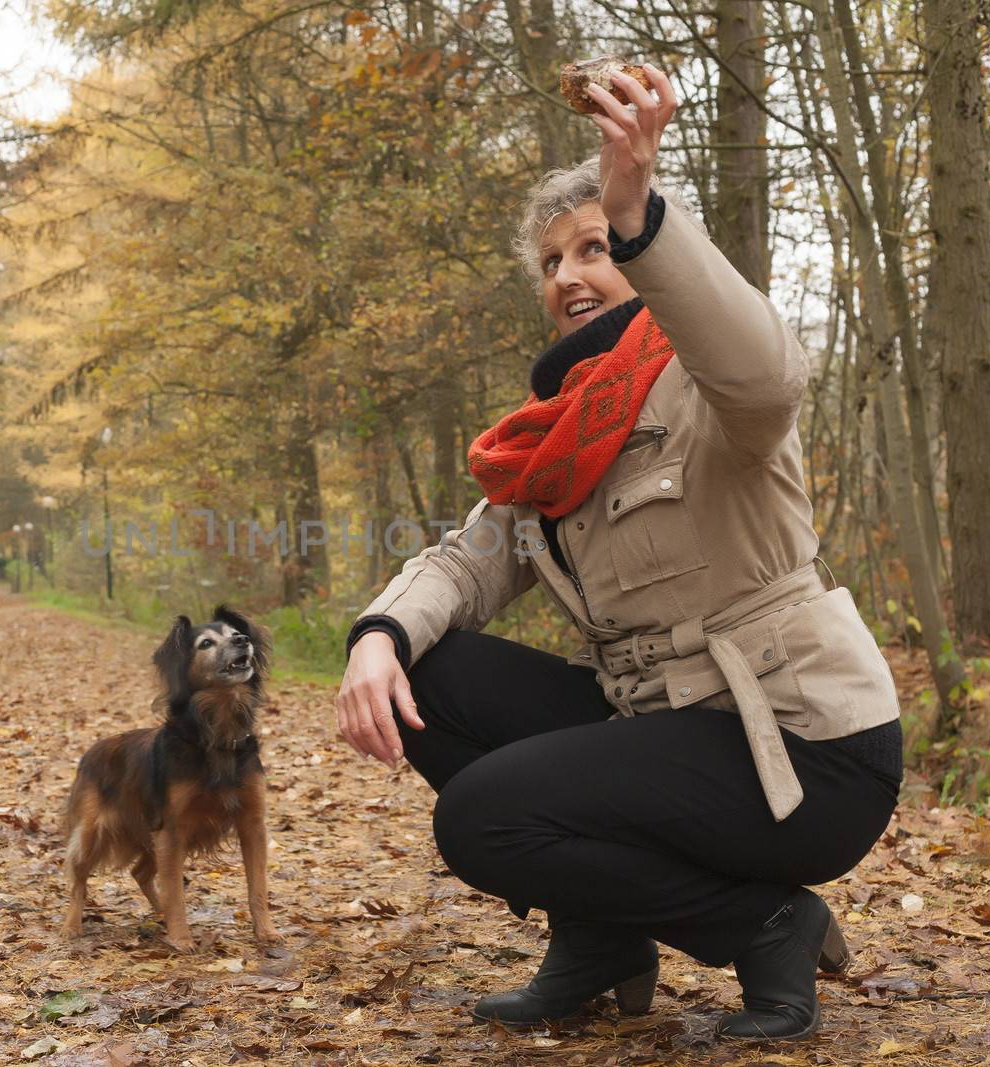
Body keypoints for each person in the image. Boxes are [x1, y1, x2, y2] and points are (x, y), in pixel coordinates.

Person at [334, 65, 901, 1043]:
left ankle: (764, 923)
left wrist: (640, 212)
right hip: (662, 730)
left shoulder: (705, 382)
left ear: (638, 259)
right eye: (551, 260)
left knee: (481, 818)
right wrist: (377, 634)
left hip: (804, 744)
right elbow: (468, 562)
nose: (567, 276)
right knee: (433, 670)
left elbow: (765, 371)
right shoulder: (554, 440)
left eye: (593, 248)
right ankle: (601, 932)